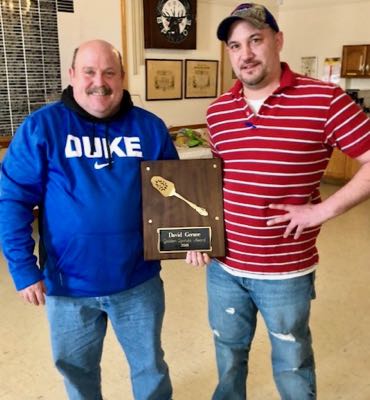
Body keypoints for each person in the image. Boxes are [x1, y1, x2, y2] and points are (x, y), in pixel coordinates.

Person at [186, 3, 370, 400]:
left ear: (278, 40)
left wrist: (323, 210)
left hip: (285, 272)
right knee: (228, 352)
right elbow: (216, 183)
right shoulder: (218, 112)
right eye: (235, 46)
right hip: (224, 268)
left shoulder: (325, 100)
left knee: (292, 359)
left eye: (255, 40)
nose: (245, 54)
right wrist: (197, 234)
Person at [0, 39, 177, 400]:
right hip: (67, 288)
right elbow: (12, 199)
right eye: (90, 72)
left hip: (138, 282)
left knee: (149, 367)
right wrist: (22, 268)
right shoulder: (41, 128)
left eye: (110, 72)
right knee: (76, 371)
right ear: (72, 75)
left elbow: (174, 196)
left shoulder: (150, 128)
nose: (101, 81)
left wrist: (194, 238)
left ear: (122, 77)